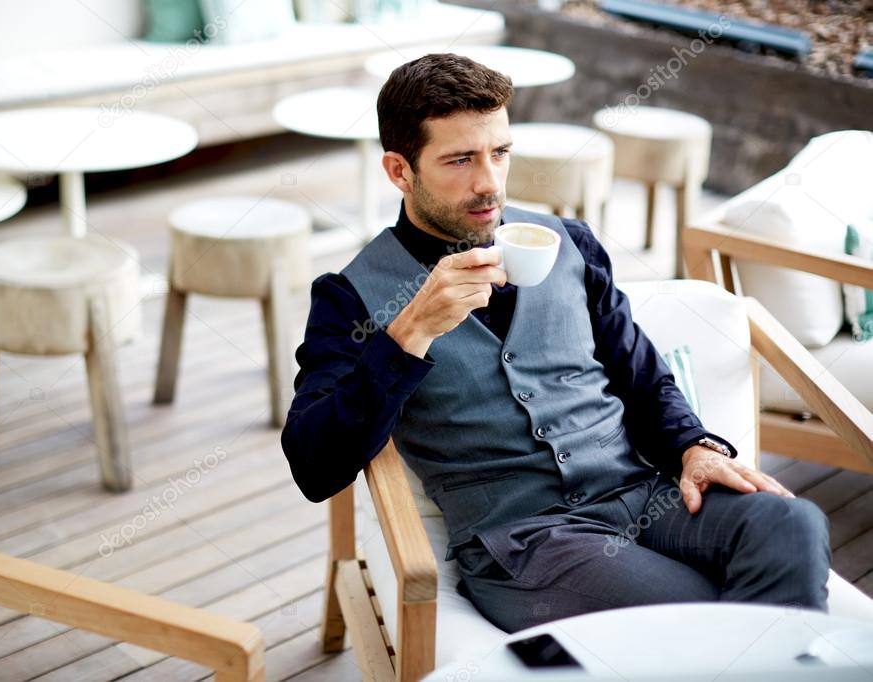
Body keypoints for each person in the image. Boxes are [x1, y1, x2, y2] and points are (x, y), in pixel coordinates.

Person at [281, 53, 831, 631]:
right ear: (400, 171)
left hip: (645, 494)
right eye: (460, 160)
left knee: (792, 524)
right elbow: (314, 466)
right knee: (694, 610)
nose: (489, 182)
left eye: (500, 153)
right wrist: (408, 333)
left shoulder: (568, 241)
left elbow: (639, 372)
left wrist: (692, 446)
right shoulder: (350, 296)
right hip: (524, 540)